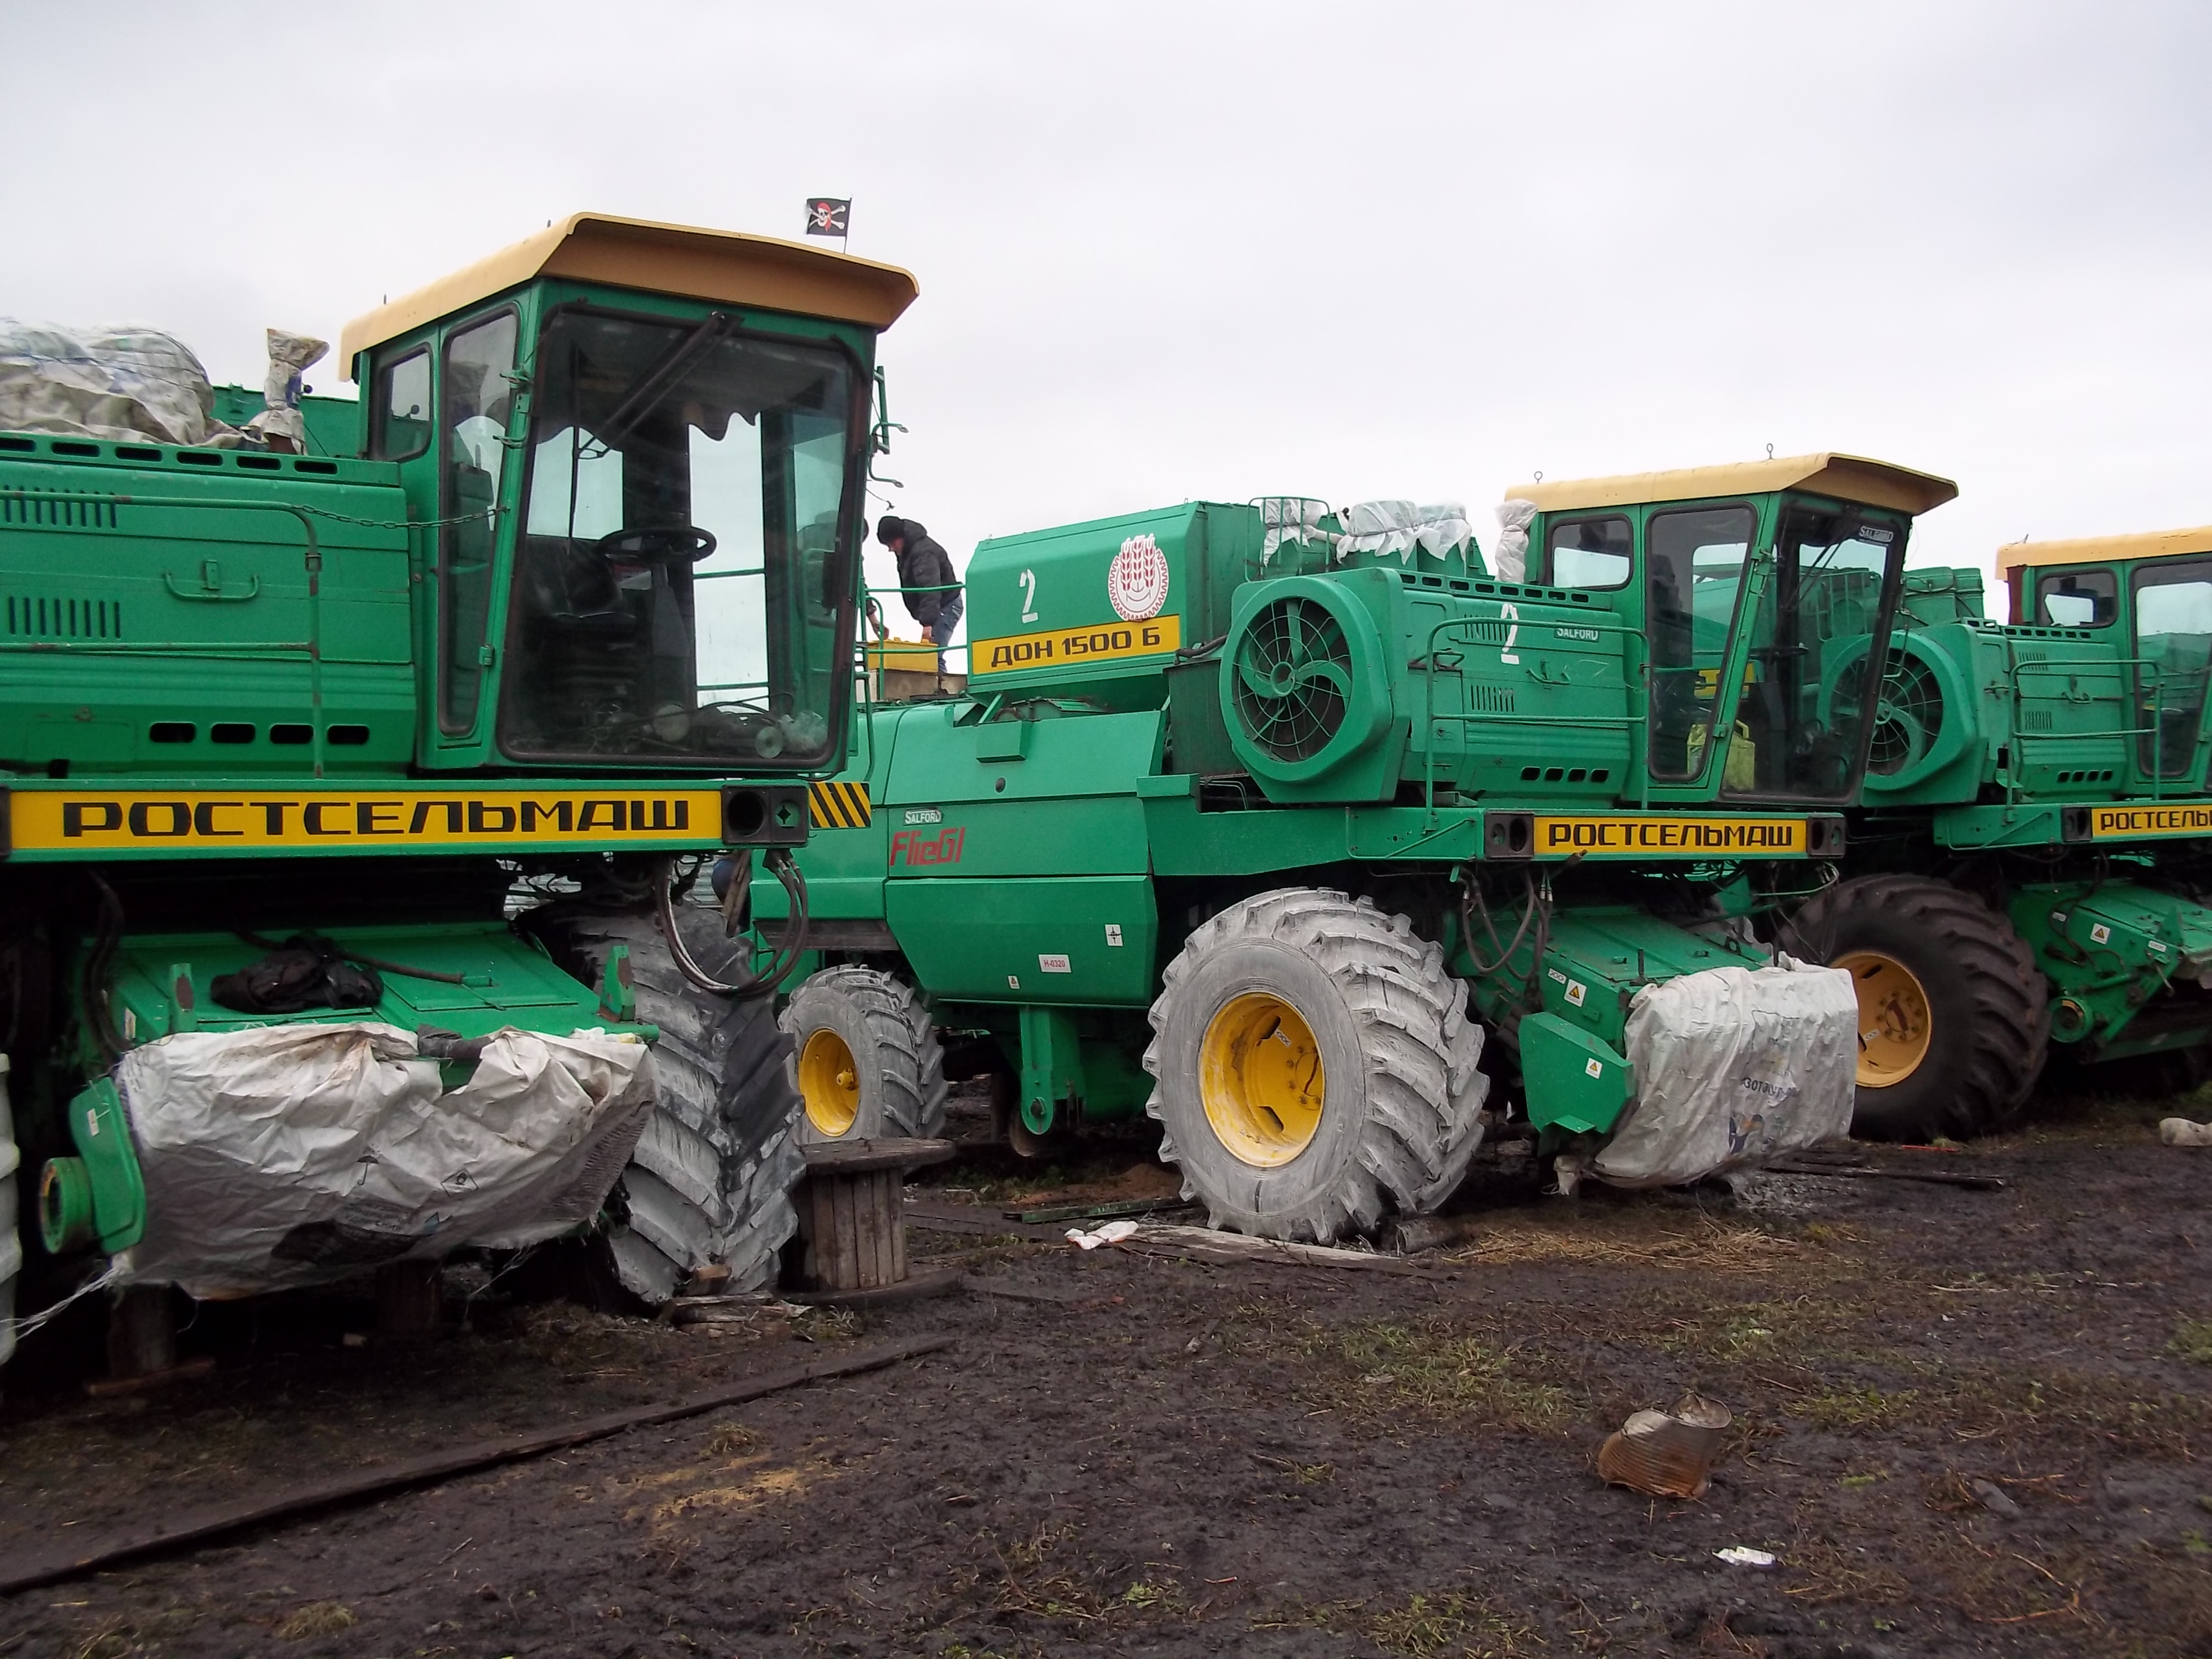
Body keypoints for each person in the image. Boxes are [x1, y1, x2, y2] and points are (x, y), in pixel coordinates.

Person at [877, 515, 963, 670]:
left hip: (946, 606)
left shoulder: (923, 554)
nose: (890, 549)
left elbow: (930, 588)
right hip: (937, 607)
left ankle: (940, 691)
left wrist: (928, 623)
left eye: (891, 544)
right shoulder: (908, 551)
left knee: (932, 657)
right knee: (929, 655)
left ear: (900, 537)